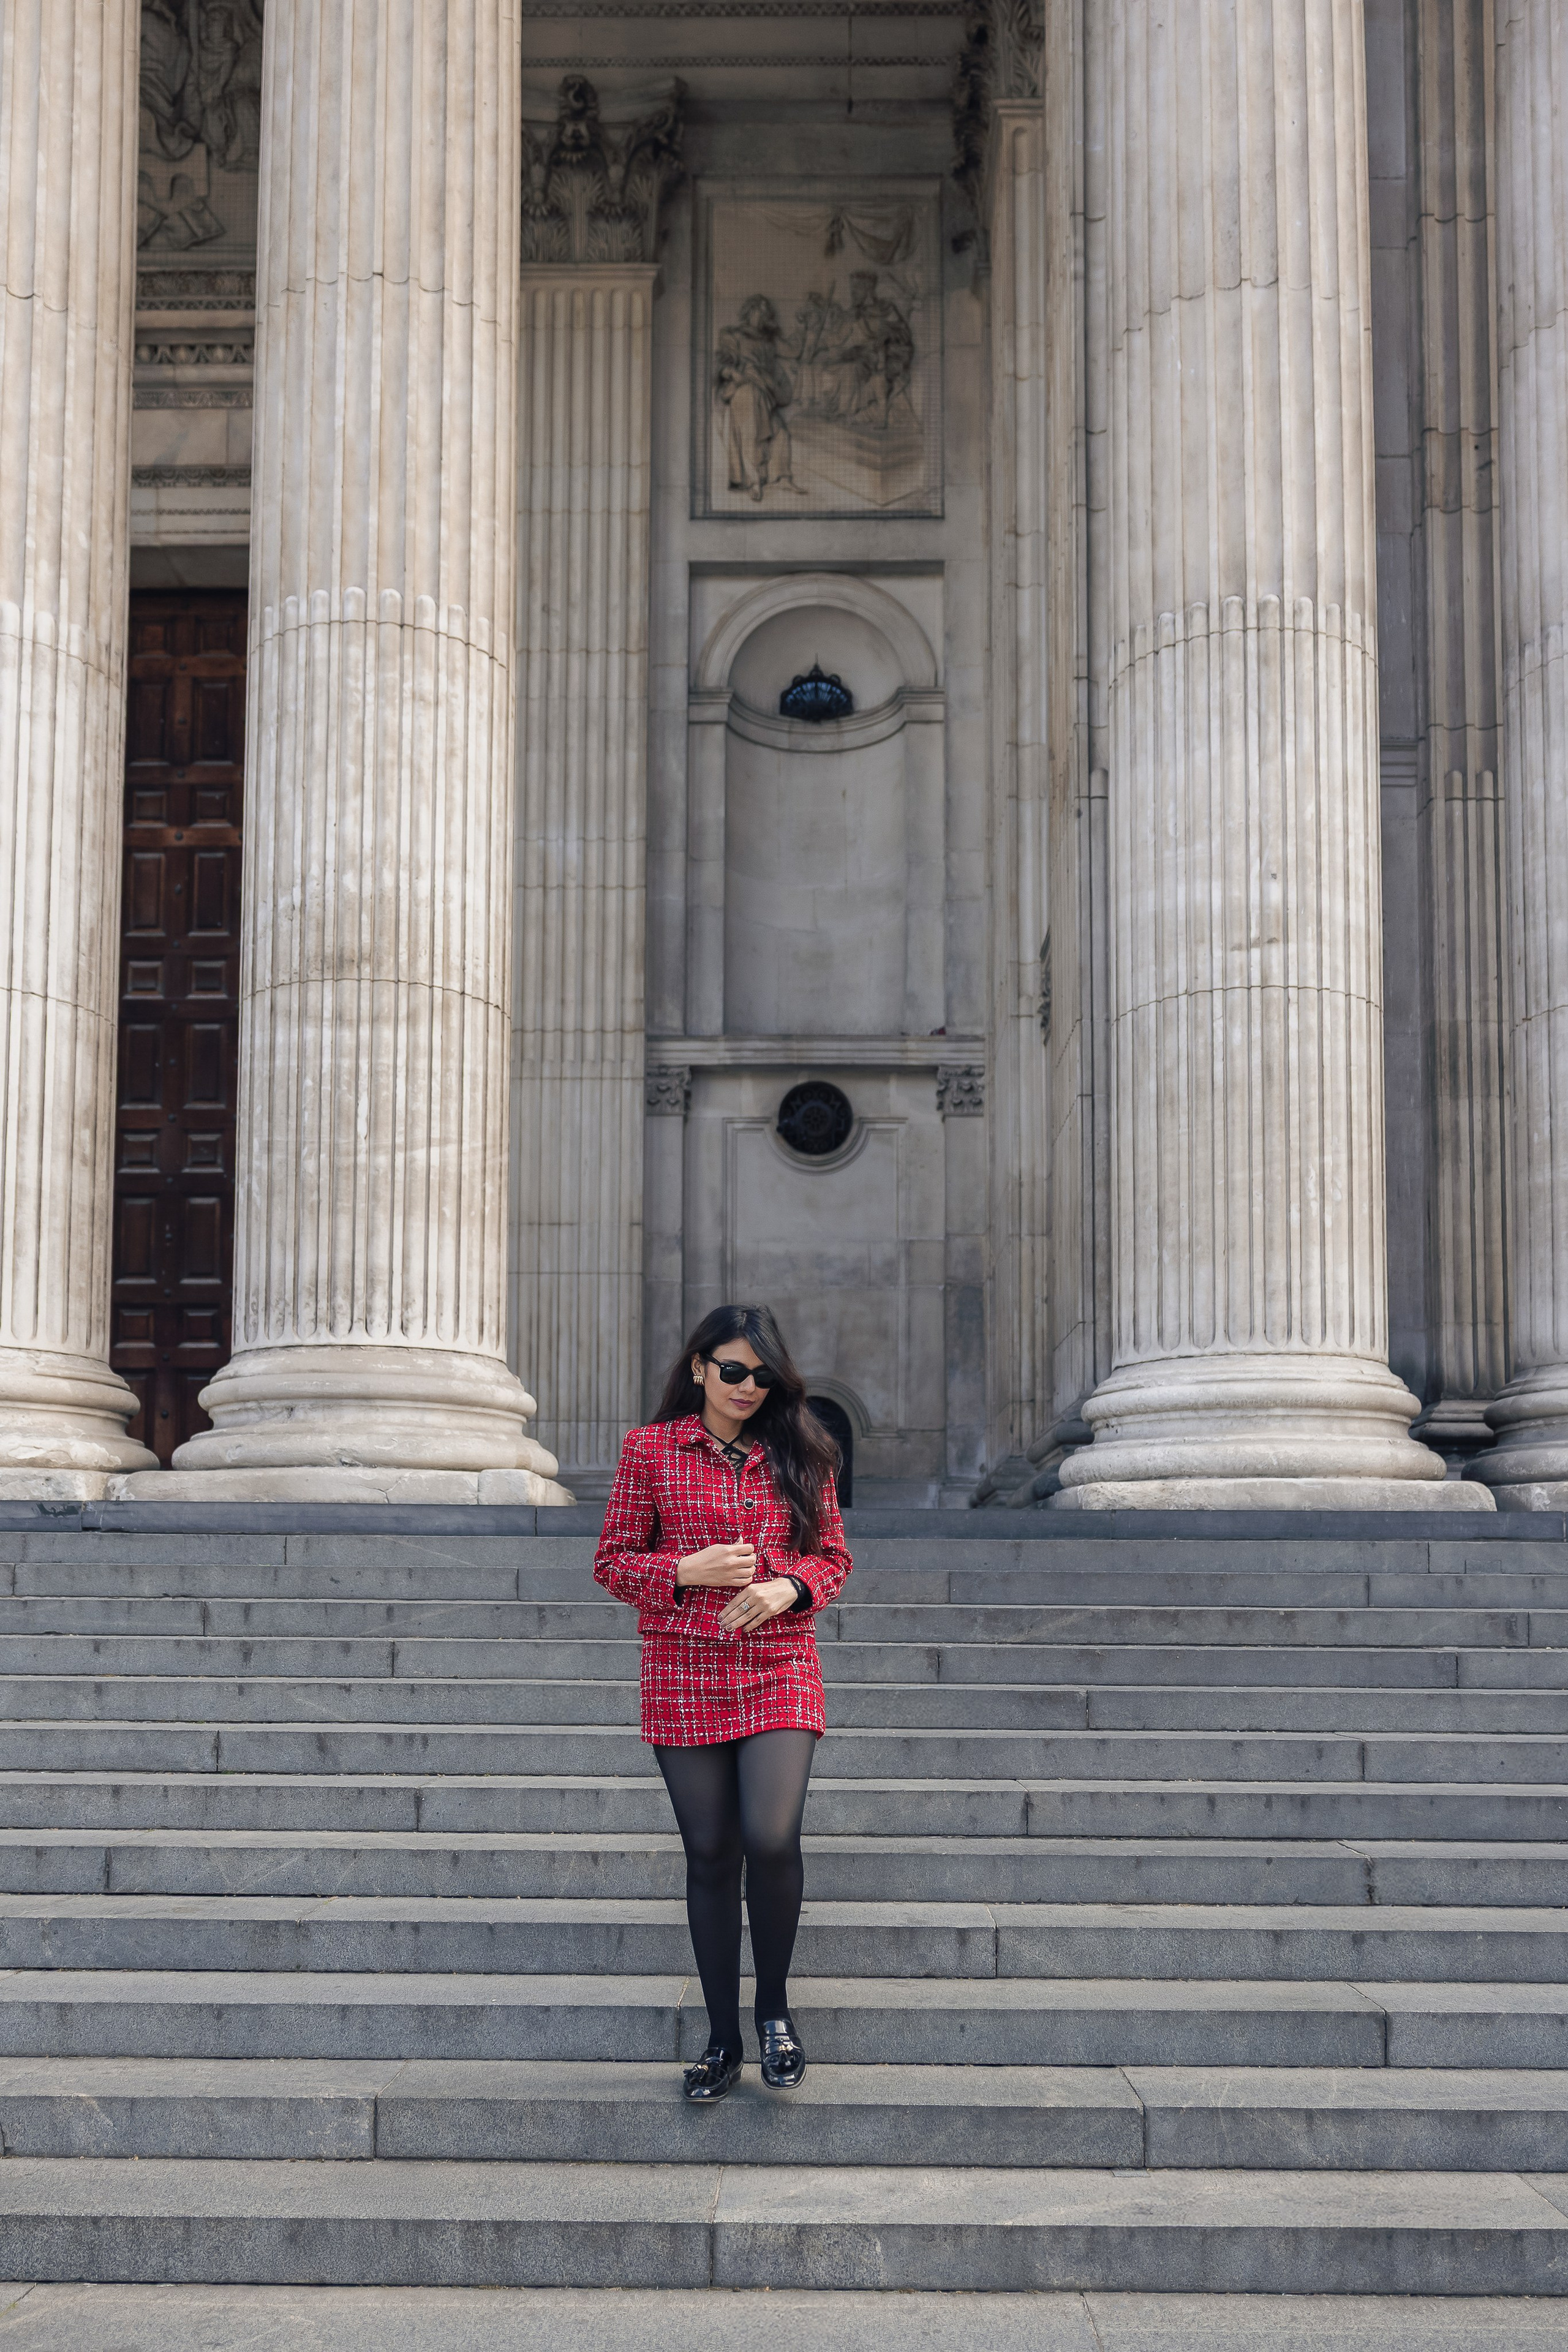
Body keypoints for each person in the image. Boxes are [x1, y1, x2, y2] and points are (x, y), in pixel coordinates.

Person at [593, 1304, 852, 2102]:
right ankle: (720, 2036)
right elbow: (611, 1561)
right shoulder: (652, 1451)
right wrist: (683, 1572)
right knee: (710, 1853)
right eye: (733, 1370)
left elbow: (834, 1558)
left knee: (770, 1839)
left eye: (762, 1375)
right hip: (683, 1667)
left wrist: (788, 1586)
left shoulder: (804, 1452)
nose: (747, 1387)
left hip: (779, 1664)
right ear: (701, 1366)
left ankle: (773, 2013)